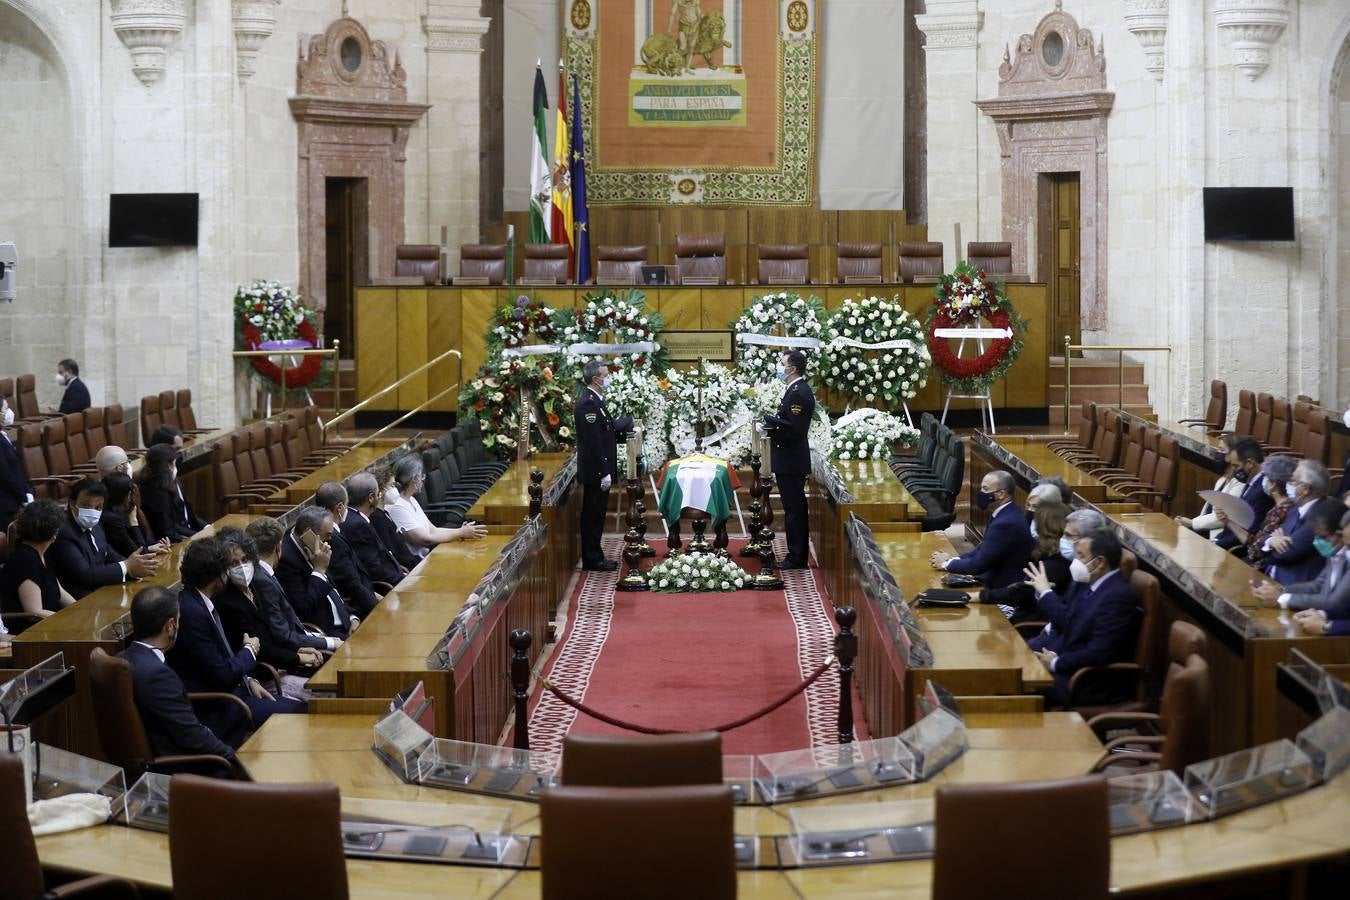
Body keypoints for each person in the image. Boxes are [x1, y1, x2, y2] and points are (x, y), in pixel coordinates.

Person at [166, 536, 306, 735]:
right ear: (220, 574)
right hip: (221, 707)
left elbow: (218, 661)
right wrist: (249, 650)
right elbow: (221, 674)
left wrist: (249, 681)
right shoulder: (192, 613)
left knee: (302, 708)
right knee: (301, 712)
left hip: (238, 692)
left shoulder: (198, 602)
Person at [119, 586, 248, 764]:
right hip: (185, 766)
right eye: (178, 621)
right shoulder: (157, 675)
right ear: (171, 626)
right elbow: (193, 737)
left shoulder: (125, 658)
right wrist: (236, 760)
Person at [1023, 528, 1142, 707]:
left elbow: (1098, 652)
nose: (1076, 562)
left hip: (1091, 681)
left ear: (1100, 562)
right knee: (1017, 666)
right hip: (1071, 666)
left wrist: (1056, 662)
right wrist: (1054, 655)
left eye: (1081, 556)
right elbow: (1073, 626)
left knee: (1019, 680)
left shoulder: (1117, 597)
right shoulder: (1092, 585)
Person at [213, 528, 325, 676]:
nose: (241, 566)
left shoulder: (255, 586)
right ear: (223, 567)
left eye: (245, 560)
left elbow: (271, 634)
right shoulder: (227, 602)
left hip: (282, 662)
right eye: (234, 563)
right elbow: (261, 648)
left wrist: (298, 649)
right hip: (265, 674)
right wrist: (298, 657)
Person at [44, 478, 159, 599]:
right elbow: (84, 575)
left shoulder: (96, 524)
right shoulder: (63, 532)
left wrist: (135, 565)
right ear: (72, 504)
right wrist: (126, 566)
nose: (92, 511)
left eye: (98, 507)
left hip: (101, 590)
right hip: (78, 599)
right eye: (86, 505)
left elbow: (107, 553)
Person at [245, 516, 341, 654]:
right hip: (294, 651)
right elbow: (284, 635)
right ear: (279, 546)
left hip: (305, 636)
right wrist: (330, 642)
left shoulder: (262, 574)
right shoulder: (263, 581)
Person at [574, 360, 635, 571]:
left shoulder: (596, 400)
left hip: (599, 470)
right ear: (596, 379)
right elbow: (593, 442)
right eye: (606, 375)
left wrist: (628, 422)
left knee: (597, 516)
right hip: (595, 472)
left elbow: (606, 431)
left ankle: (595, 555)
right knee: (592, 516)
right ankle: (592, 559)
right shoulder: (588, 404)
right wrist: (603, 472)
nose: (608, 378)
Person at [929, 469, 1034, 589]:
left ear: (1001, 494)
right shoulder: (1005, 513)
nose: (981, 493)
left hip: (1001, 591)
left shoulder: (1006, 524)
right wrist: (953, 559)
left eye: (985, 489)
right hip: (991, 582)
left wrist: (945, 563)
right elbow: (982, 549)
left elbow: (977, 566)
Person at [762, 350, 814, 570]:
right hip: (788, 460)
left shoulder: (798, 393)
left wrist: (771, 429)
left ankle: (796, 557)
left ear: (792, 369)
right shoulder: (793, 389)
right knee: (792, 509)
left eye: (781, 363)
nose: (778, 366)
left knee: (795, 510)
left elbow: (796, 430)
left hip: (791, 461)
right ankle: (795, 555)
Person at [275, 506, 360, 639]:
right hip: (326, 632)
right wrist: (319, 570)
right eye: (328, 535)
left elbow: (333, 591)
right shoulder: (286, 560)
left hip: (347, 624)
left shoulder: (316, 549)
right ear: (308, 533)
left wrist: (352, 617)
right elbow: (304, 609)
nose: (330, 540)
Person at [982, 499, 1071, 624]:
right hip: (1021, 610)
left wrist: (981, 596)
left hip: (1027, 624)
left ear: (1043, 527)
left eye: (1035, 520)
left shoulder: (1055, 564)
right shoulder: (1044, 553)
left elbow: (1022, 593)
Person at [1252, 501, 1350, 612]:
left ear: (1340, 534)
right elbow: (1317, 586)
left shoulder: (1346, 556)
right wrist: (1280, 590)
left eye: (1322, 537)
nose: (1317, 541)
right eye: (1315, 536)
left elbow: (1333, 602)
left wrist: (1280, 598)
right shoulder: (1335, 553)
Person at [1218, 454, 1297, 570]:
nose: (1263, 481)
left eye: (1265, 477)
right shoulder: (1279, 507)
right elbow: (1254, 541)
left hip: (1258, 569)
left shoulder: (1281, 512)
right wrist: (1228, 521)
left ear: (1273, 484)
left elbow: (1256, 551)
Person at [1260, 459, 1331, 586]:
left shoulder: (1321, 516)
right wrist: (1271, 541)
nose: (1288, 484)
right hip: (1270, 577)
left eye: (1293, 481)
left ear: (1305, 489)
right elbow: (1262, 538)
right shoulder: (1295, 508)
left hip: (1290, 587)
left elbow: (1285, 555)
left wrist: (1271, 543)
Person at [0, 500, 76, 618]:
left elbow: (60, 593)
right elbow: (35, 613)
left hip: (51, 622)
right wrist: (69, 620)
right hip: (31, 631)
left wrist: (81, 612)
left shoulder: (42, 554)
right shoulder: (24, 560)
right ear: (54, 534)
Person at [314, 481, 380, 617]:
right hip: (361, 607)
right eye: (347, 504)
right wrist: (378, 608)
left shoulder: (338, 530)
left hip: (368, 593)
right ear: (339, 507)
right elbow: (352, 584)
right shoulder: (332, 538)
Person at [343, 471, 406, 585]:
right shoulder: (358, 525)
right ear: (371, 498)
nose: (380, 496)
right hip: (389, 586)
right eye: (378, 494)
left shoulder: (357, 518)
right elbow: (374, 569)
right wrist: (403, 580)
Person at [1175, 433, 1244, 538]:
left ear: (1233, 455)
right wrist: (1189, 523)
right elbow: (1207, 511)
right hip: (1204, 531)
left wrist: (1192, 523)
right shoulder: (1222, 480)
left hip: (1218, 536)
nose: (1218, 453)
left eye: (1222, 450)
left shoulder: (1239, 484)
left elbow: (1223, 517)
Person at [137, 443, 206, 543]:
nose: (175, 468)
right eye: (173, 464)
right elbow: (168, 530)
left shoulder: (173, 481)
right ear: (166, 466)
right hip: (176, 542)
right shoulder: (157, 494)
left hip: (189, 533)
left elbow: (188, 514)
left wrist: (207, 528)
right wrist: (198, 536)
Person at [1214, 438, 1272, 551]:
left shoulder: (1262, 492)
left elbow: (1249, 530)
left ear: (1250, 463)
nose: (1234, 470)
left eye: (1236, 466)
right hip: (1223, 540)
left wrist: (1218, 543)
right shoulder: (1251, 481)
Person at [101, 471, 167, 559]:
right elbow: (138, 553)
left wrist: (154, 546)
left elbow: (141, 543)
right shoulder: (111, 519)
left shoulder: (119, 511)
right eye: (130, 493)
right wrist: (134, 522)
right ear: (124, 495)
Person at [370, 464, 421, 572]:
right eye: (392, 485)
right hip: (407, 570)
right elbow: (390, 552)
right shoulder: (377, 518)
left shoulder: (385, 512)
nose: (395, 489)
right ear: (381, 489)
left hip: (413, 562)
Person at [0, 397, 33, 532]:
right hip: (6, 507)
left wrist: (27, 491)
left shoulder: (2, 435)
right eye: (5, 409)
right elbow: (5, 474)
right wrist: (23, 497)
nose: (9, 412)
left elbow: (16, 469)